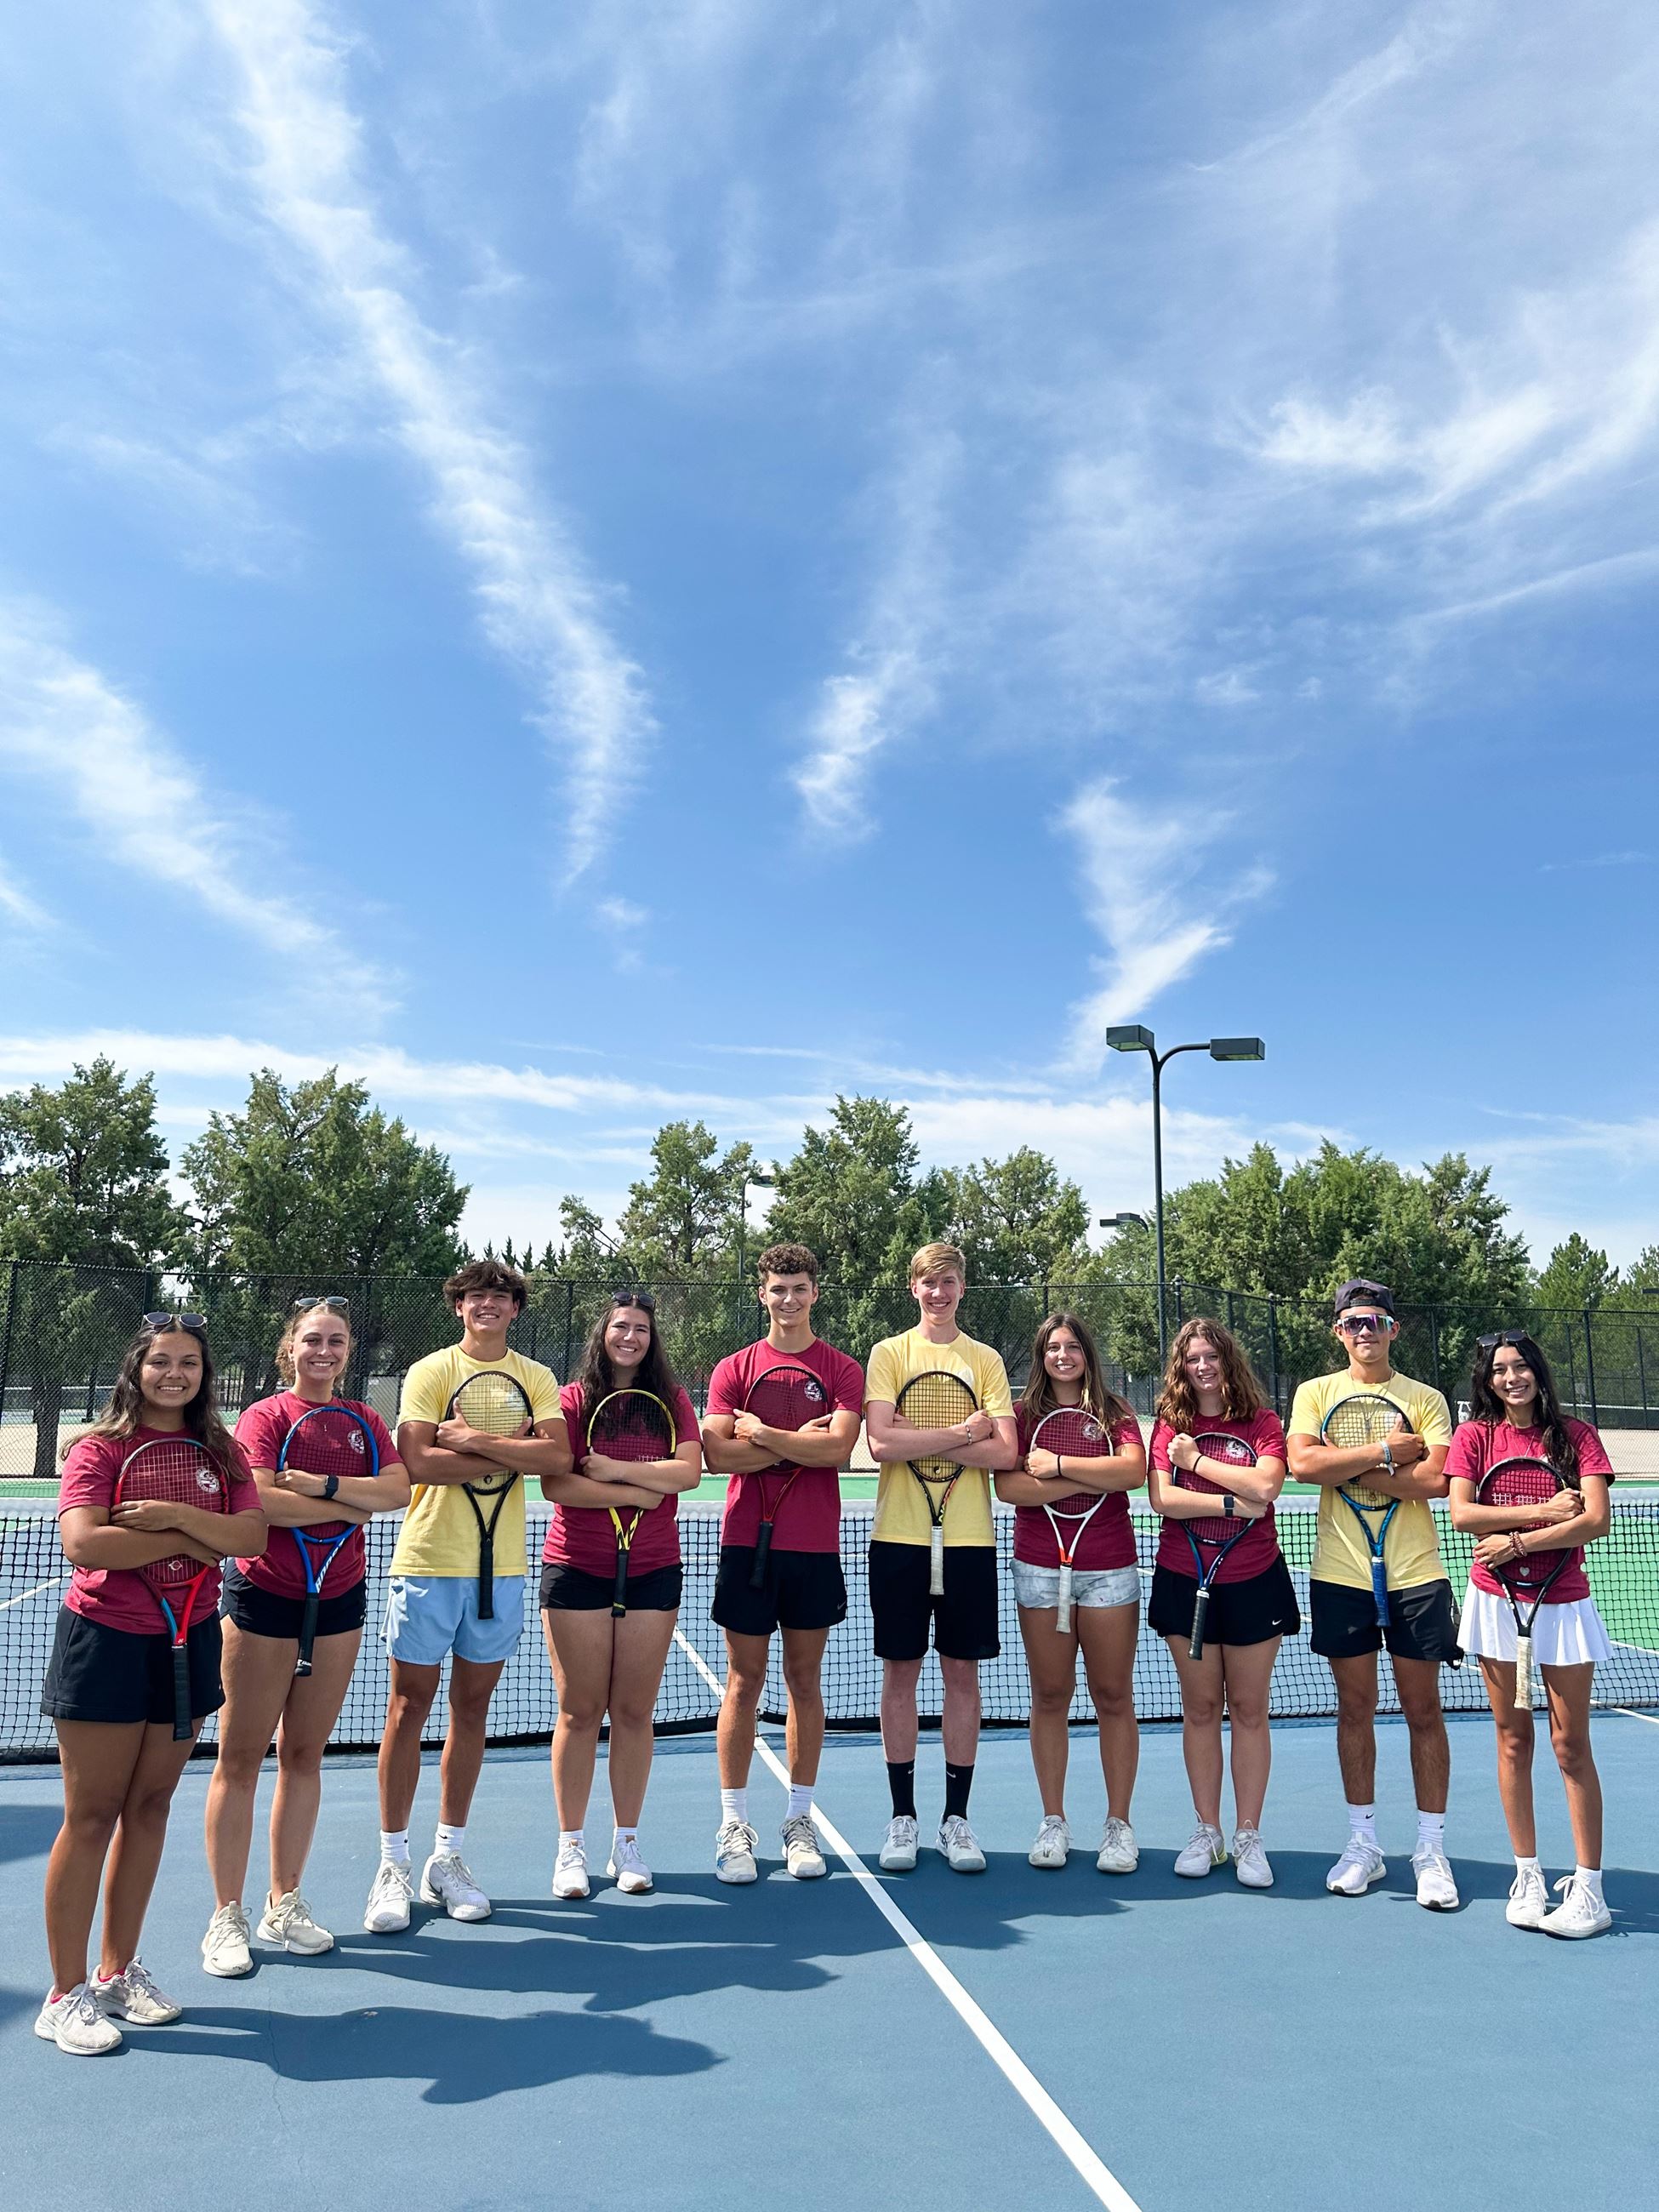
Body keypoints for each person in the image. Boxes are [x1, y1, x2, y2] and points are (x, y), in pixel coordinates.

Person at [37, 1316, 265, 2054]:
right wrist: (193, 1534)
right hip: (104, 1644)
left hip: (190, 1638)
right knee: (93, 1813)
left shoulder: (222, 1452)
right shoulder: (99, 1449)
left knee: (152, 1804)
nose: (175, 1374)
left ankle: (116, 1971)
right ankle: (65, 1994)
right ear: (135, 1369)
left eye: (190, 1362)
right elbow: (85, 1542)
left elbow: (251, 1538)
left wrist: (170, 1515)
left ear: (205, 1373)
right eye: (161, 1361)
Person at [201, 1297, 407, 1975]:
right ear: (290, 1348)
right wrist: (354, 1497)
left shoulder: (365, 1420)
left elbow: (398, 1491)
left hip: (341, 1601)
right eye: (313, 1340)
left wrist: (322, 1485)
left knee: (304, 1757)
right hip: (265, 1599)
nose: (325, 1350)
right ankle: (226, 1916)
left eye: (337, 1341)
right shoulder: (264, 1417)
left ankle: (283, 1901)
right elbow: (261, 1499)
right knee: (240, 1759)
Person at [365, 1260, 568, 1935]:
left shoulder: (536, 1377)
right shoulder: (431, 1371)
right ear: (459, 1307)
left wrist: (475, 1441)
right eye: (476, 1296)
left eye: (501, 1297)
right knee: (407, 1710)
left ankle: (445, 1859)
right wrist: (514, 1451)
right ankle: (392, 1863)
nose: (488, 1305)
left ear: (515, 1309)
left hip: (501, 1569)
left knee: (471, 1710)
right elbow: (418, 1461)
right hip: (427, 1562)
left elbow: (557, 1461)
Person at [1286, 1279, 1458, 1909]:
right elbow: (1303, 1468)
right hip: (1340, 1575)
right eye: (1354, 1322)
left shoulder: (1427, 1398)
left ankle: (1430, 1851)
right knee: (1354, 1709)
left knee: (1424, 1712)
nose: (1365, 1331)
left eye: (1376, 1321)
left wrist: (1343, 1462)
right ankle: (1364, 1845)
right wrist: (1388, 1453)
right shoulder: (1315, 1393)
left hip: (1418, 1577)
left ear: (1394, 1330)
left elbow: (1437, 1479)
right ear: (1338, 1331)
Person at [701, 1244, 864, 1884]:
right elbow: (717, 1456)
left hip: (814, 1545)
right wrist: (803, 1444)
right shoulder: (734, 1368)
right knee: (743, 1682)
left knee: (804, 1681)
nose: (788, 1299)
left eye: (799, 1287)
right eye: (778, 1289)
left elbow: (840, 1451)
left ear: (814, 1293)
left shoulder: (842, 1368)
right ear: (762, 1294)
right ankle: (733, 1823)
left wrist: (763, 1435)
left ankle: (800, 1822)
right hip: (746, 1540)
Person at [1446, 1331, 1615, 1939]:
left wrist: (1518, 1542)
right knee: (1512, 1741)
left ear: (1539, 1373)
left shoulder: (1576, 1436)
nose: (1511, 1377)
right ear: (1487, 1381)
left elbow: (1594, 1519)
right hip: (1496, 1606)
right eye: (1499, 1370)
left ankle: (1590, 1890)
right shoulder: (1475, 1438)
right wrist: (1544, 1514)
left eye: (1521, 1367)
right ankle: (1529, 1875)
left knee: (1570, 1748)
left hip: (1563, 1607)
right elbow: (1463, 1514)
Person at [539, 1291, 702, 1899]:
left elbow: (686, 1475)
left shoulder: (674, 1400)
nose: (630, 1337)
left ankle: (626, 1842)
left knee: (634, 1713)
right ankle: (570, 1848)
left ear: (653, 1338)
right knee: (580, 1712)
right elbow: (558, 1484)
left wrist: (609, 1471)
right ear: (602, 1334)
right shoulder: (573, 1399)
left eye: (640, 1328)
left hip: (653, 1570)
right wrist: (639, 1489)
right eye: (620, 1327)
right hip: (576, 1568)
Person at [865, 1242, 1018, 1873]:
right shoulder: (889, 1354)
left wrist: (919, 1438)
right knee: (900, 1678)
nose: (939, 1293)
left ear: (962, 1288)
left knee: (962, 1679)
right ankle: (903, 1818)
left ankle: (957, 1820)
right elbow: (880, 1442)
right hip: (898, 1541)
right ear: (913, 1288)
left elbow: (1006, 1454)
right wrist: (964, 1432)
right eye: (928, 1283)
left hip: (968, 1545)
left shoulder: (984, 1359)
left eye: (949, 1282)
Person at [1146, 1318, 1295, 1889]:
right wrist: (1235, 1504)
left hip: (1255, 1580)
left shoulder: (1261, 1423)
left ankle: (1248, 1835)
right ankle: (1206, 1831)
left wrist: (1198, 1464)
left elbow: (1268, 1488)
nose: (1202, 1366)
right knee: (1202, 1709)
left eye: (1211, 1356)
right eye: (1192, 1358)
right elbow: (1163, 1499)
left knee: (1251, 1711)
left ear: (1227, 1361)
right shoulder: (1169, 1426)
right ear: (1181, 1368)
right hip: (1185, 1580)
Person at [995, 1311, 1145, 1873]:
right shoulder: (1023, 1415)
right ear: (1042, 1356)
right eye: (1053, 1348)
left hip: (1110, 1570)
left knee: (1113, 1696)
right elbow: (1009, 1485)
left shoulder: (1115, 1412)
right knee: (1050, 1697)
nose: (1063, 1356)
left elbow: (1131, 1472)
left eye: (1072, 1346)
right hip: (1039, 1569)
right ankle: (1053, 1821)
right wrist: (1092, 1474)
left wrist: (1060, 1468)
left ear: (1087, 1353)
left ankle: (1119, 1826)